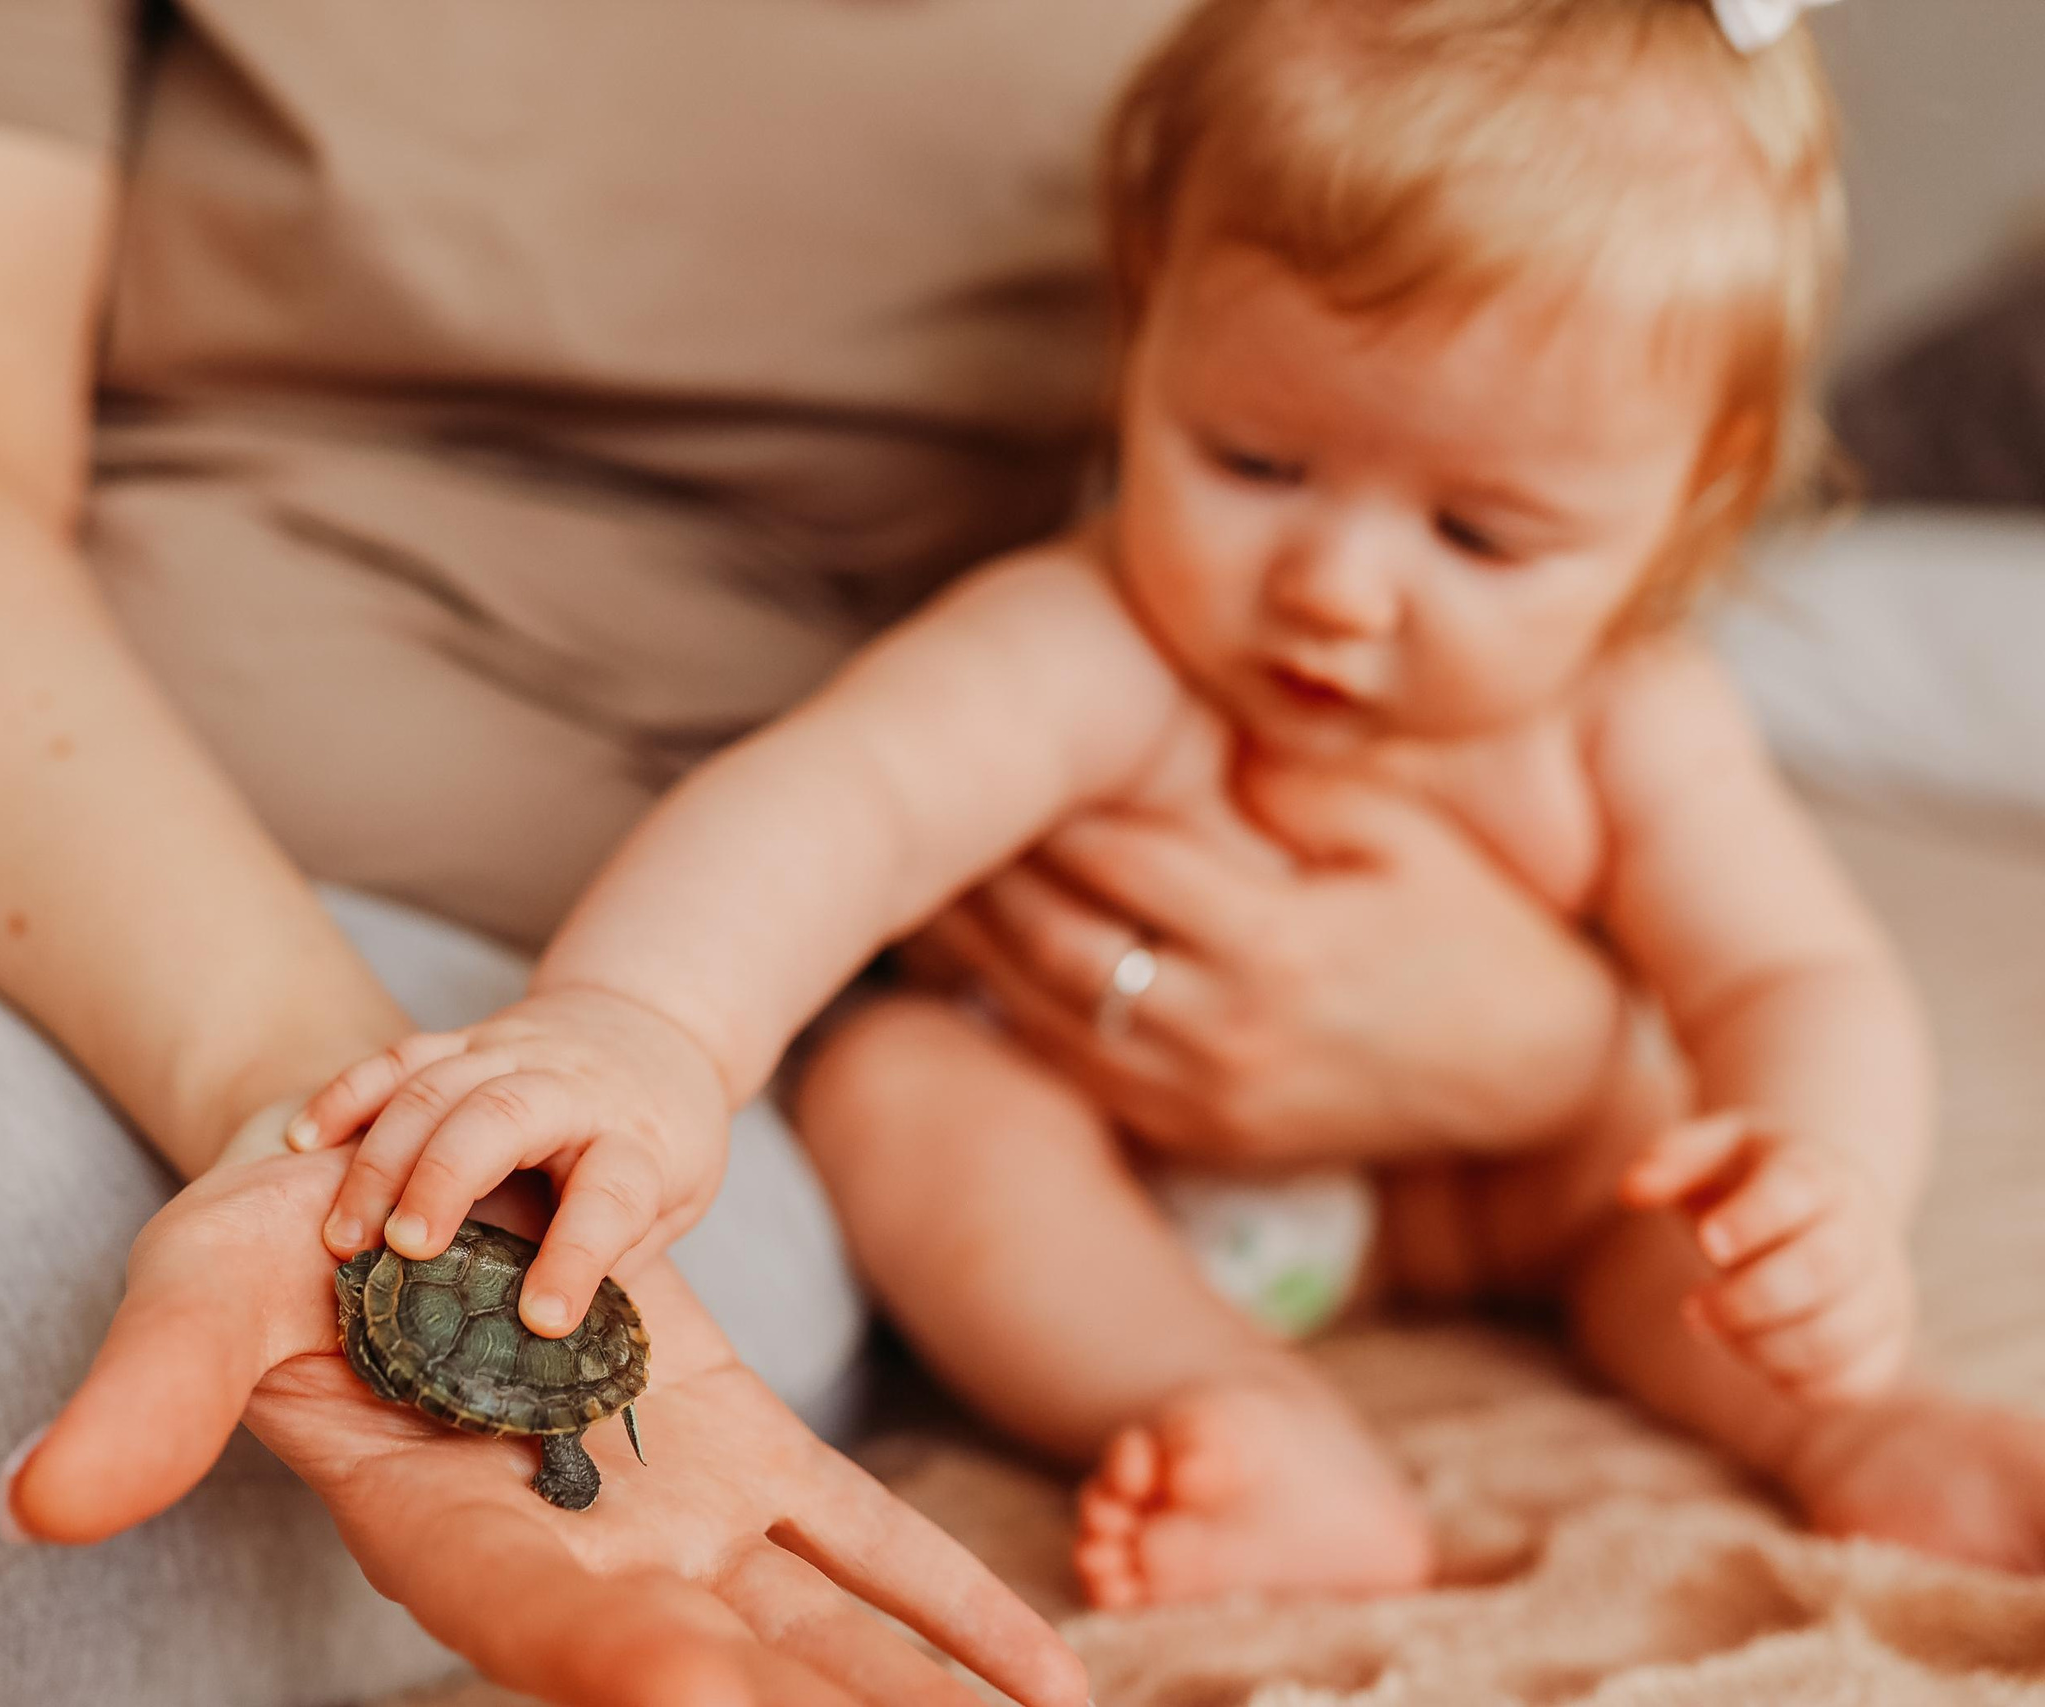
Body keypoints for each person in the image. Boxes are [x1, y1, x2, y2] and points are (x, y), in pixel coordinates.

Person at [0, 2, 1677, 1704]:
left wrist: (1559, 1048)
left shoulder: (1426, 71)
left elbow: (1552, 492)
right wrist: (303, 1071)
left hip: (545, 1021)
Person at [286, 0, 2045, 1615]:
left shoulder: (1635, 710)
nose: (1339, 588)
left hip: (1485, 1191)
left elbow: (1791, 977)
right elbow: (843, 808)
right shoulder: (1096, 639)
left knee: (1672, 1178)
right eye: (1256, 463)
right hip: (1115, 1173)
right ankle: (1237, 1408)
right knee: (905, 1093)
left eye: (1481, 535)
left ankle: (1864, 1432)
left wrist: (1825, 1177)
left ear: (1690, 508)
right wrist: (639, 1028)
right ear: (1149, 328)